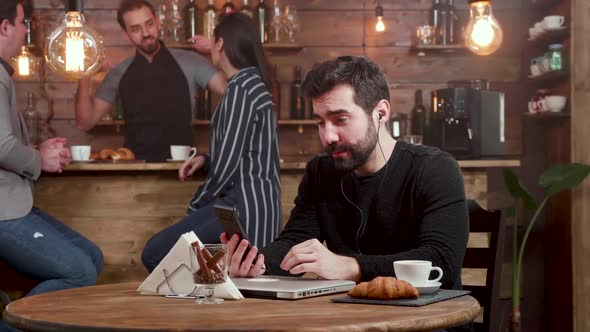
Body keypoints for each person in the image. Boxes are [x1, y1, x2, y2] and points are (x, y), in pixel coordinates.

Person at [223, 56, 469, 298]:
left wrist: (350, 267)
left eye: (340, 119)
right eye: (320, 122)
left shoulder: (435, 169)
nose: (327, 136)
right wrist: (259, 264)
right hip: (353, 317)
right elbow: (294, 243)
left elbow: (441, 261)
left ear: (380, 113)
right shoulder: (320, 171)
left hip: (429, 320)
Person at [141, 13, 282, 272]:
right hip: (257, 210)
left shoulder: (240, 90)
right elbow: (243, 150)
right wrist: (205, 159)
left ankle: (199, 305)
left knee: (154, 254)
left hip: (241, 210)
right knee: (225, 278)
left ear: (219, 44)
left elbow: (227, 167)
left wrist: (195, 205)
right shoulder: (254, 85)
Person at [0, 1, 103, 330]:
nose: (24, 30)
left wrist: (35, 150)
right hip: (4, 211)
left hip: (15, 206)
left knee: (92, 257)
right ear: (4, 28)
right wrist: (39, 159)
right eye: (20, 23)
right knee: (80, 272)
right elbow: (1, 146)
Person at [74, 0, 226, 162]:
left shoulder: (189, 61)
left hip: (182, 167)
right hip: (135, 170)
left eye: (149, 24)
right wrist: (85, 75)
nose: (146, 33)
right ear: (126, 35)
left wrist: (216, 49)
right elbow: (85, 122)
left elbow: (230, 89)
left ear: (158, 23)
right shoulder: (119, 73)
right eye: (136, 29)